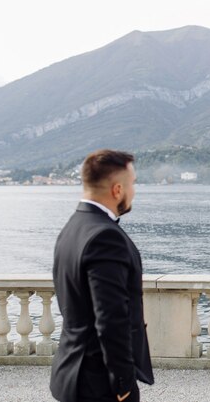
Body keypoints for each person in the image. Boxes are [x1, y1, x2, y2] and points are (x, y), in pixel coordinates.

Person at [50, 149, 154, 402]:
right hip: (99, 383)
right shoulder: (106, 238)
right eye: (133, 184)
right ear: (117, 190)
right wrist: (123, 384)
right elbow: (110, 318)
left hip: (70, 372)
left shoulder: (72, 228)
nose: (134, 191)